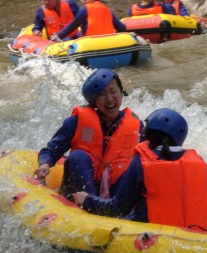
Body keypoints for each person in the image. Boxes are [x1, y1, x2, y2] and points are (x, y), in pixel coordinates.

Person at [74, 108, 207, 228]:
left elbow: (117, 208)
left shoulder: (142, 162)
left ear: (149, 137)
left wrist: (87, 200)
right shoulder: (199, 162)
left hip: (151, 237)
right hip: (193, 235)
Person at [34, 68, 144, 200]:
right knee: (77, 157)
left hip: (114, 195)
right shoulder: (77, 121)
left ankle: (106, 208)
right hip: (79, 189)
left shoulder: (137, 127)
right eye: (102, 95)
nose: (110, 99)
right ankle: (92, 207)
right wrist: (45, 163)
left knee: (132, 167)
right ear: (94, 101)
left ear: (121, 93)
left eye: (113, 91)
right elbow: (51, 150)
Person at [50, 0, 127, 42]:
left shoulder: (85, 10)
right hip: (110, 42)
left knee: (70, 38)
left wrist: (58, 36)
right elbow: (122, 28)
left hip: (90, 43)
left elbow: (72, 26)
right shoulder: (106, 9)